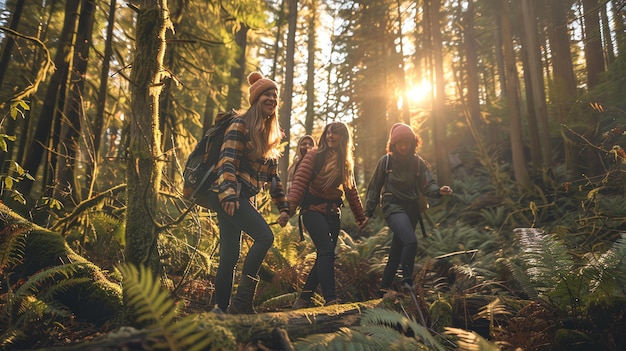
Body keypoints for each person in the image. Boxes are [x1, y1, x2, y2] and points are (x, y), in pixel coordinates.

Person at [205, 72, 290, 314]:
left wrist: (283, 206)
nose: (272, 98)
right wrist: (229, 193)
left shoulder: (269, 134)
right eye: (267, 94)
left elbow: (273, 177)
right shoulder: (239, 123)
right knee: (265, 237)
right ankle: (241, 303)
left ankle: (219, 309)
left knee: (230, 256)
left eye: (275, 95)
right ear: (256, 99)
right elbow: (226, 161)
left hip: (241, 196)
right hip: (226, 193)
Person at [364, 123, 452, 296]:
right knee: (411, 242)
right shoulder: (386, 162)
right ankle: (407, 282)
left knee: (397, 251)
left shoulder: (418, 163)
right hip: (392, 206)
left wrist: (439, 191)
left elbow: (428, 185)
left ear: (413, 143)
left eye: (407, 142)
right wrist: (368, 212)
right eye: (399, 143)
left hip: (411, 210)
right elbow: (374, 188)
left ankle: (383, 289)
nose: (403, 147)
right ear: (393, 144)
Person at [287, 122, 368, 309]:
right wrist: (288, 210)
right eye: (328, 133)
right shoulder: (313, 156)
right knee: (326, 251)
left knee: (325, 255)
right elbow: (299, 184)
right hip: (312, 211)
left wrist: (360, 217)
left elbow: (351, 190)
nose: (330, 136)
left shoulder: (345, 162)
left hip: (333, 214)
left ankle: (303, 299)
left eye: (336, 133)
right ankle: (331, 300)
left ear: (343, 138)